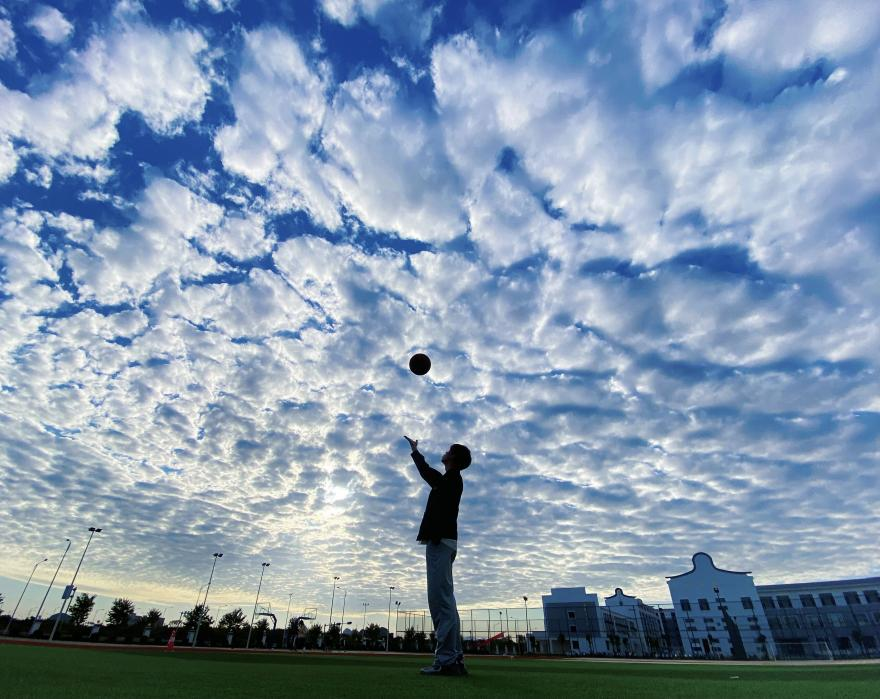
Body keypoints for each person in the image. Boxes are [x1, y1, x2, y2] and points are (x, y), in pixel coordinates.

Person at [404, 435, 471, 677]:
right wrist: (416, 453)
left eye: (448, 450)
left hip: (441, 542)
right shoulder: (451, 480)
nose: (444, 452)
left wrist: (416, 454)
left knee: (440, 603)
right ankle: (453, 659)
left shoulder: (452, 480)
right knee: (446, 602)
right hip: (444, 542)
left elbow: (429, 475)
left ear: (453, 458)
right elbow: (432, 476)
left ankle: (446, 661)